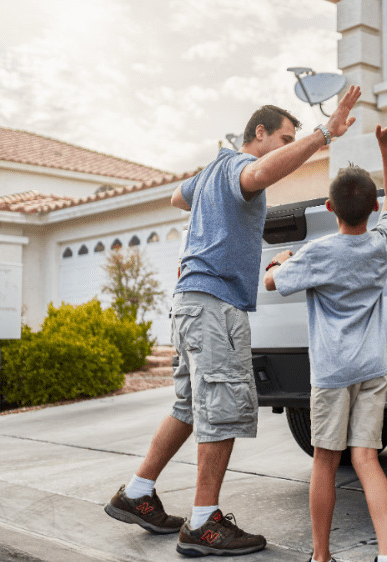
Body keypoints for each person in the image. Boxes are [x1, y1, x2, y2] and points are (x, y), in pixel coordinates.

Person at [105, 85, 362, 558]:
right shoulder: (240, 167)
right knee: (221, 406)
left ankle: (138, 493)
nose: (287, 148)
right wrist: (325, 133)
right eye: (284, 139)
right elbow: (260, 171)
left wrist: (212, 223)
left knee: (188, 405)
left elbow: (174, 200)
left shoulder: (211, 172)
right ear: (258, 133)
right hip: (215, 304)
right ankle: (204, 524)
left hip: (191, 301)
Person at [264, 117, 387, 562]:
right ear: (371, 206)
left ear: (330, 207)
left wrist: (280, 260)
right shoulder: (381, 244)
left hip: (332, 372)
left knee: (325, 461)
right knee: (367, 459)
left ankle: (321, 556)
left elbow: (270, 283)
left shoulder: (318, 253)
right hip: (372, 368)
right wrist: (385, 146)